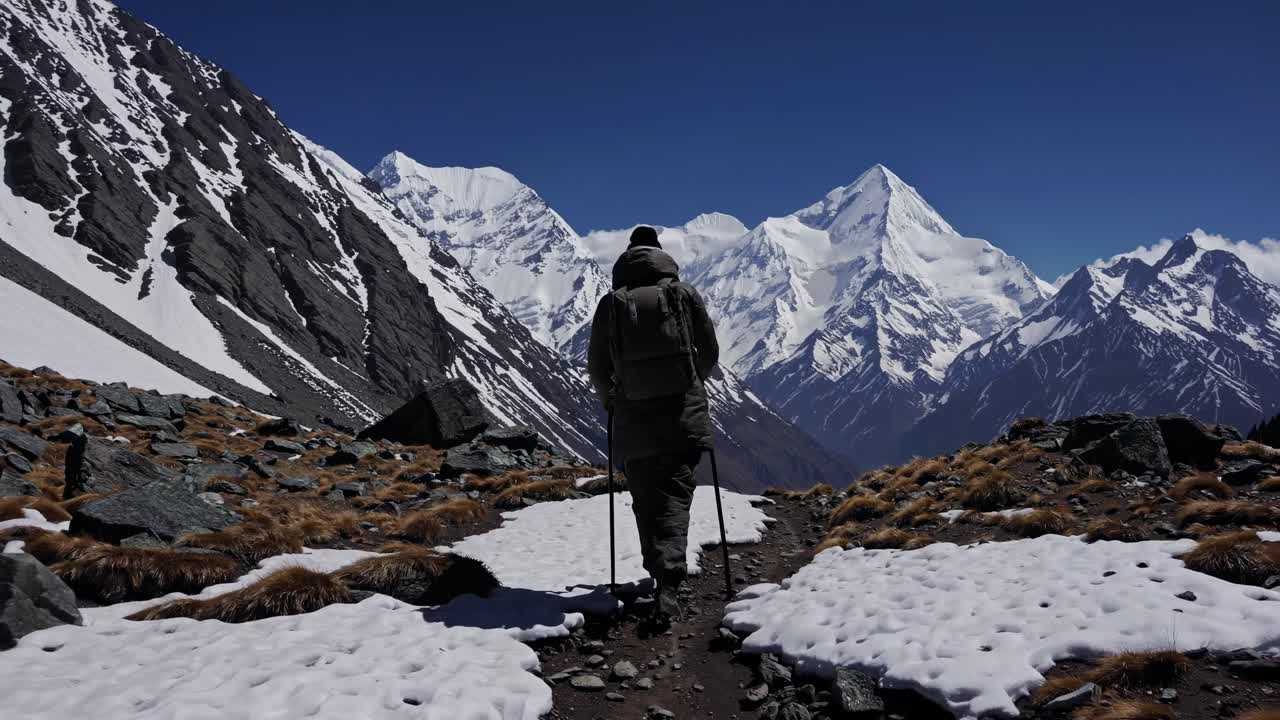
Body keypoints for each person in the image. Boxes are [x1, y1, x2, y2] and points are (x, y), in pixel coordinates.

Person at [587, 225, 720, 625]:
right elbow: (709, 351)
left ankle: (659, 572)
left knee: (646, 498)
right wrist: (691, 383)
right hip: (683, 415)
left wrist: (614, 401)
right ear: (662, 256)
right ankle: (669, 582)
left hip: (633, 420)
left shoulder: (610, 305)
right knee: (675, 496)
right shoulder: (683, 294)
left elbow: (597, 366)